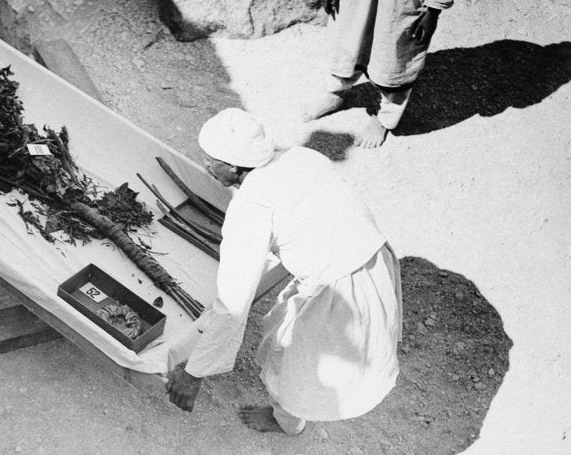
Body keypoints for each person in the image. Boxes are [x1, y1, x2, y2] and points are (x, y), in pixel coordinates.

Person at [166, 108, 401, 435]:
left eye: (211, 160)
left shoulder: (251, 208)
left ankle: (287, 421)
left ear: (233, 167)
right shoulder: (300, 156)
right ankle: (290, 414)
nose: (205, 164)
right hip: (374, 257)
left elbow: (232, 305)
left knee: (296, 360)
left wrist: (194, 373)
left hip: (342, 286)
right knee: (294, 334)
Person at [302, 0, 463, 148]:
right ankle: (336, 93)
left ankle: (384, 119)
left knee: (394, 59)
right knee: (348, 43)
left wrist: (433, 11)